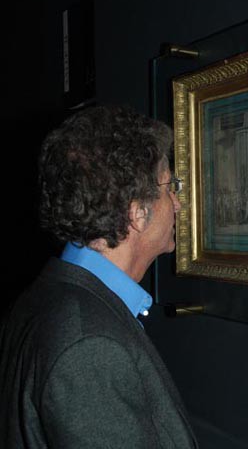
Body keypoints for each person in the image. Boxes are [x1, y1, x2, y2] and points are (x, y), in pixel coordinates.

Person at [0, 105, 198, 448]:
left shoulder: (48, 295)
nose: (178, 203)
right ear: (137, 213)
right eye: (170, 186)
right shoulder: (90, 345)